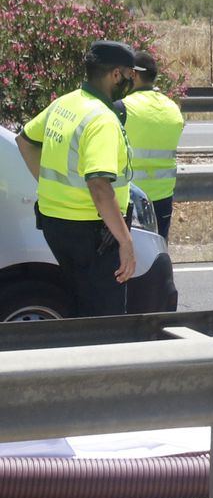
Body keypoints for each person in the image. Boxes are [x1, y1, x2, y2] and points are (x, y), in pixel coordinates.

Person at [15, 40, 140, 317]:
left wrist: (49, 187)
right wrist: (125, 241)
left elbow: (24, 141)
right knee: (104, 318)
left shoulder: (65, 104)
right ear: (116, 74)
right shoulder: (102, 120)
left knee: (79, 303)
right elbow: (99, 184)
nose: (133, 81)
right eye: (131, 74)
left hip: (55, 223)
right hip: (92, 232)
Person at [119, 50, 186, 240]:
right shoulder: (173, 108)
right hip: (163, 198)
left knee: (128, 261)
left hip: (130, 199)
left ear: (133, 74)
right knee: (158, 254)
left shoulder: (122, 108)